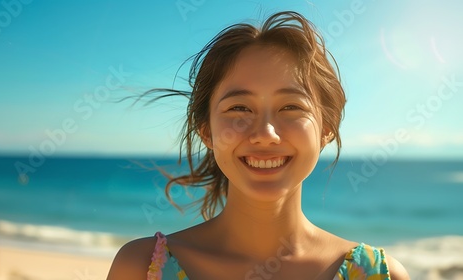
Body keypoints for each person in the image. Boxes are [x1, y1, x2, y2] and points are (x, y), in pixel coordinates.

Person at [107, 11, 410, 280]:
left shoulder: (380, 275)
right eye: (239, 108)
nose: (265, 133)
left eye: (291, 107)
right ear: (207, 132)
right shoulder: (142, 267)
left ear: (326, 129)